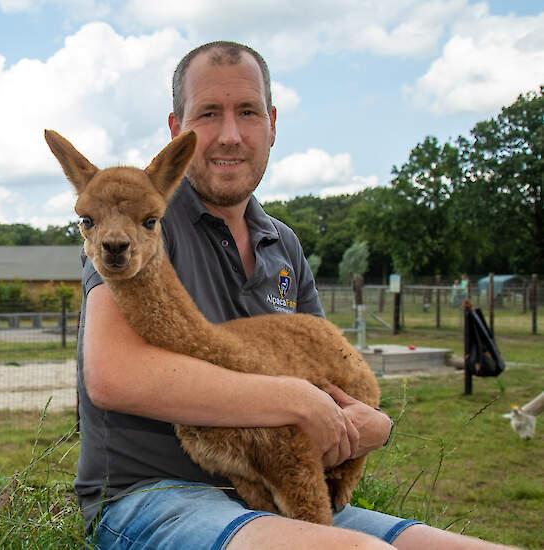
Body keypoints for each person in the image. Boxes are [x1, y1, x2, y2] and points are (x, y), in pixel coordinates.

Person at [75, 41, 517, 549]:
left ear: (272, 123)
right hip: (153, 497)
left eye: (248, 112)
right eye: (208, 115)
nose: (230, 135)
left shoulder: (282, 244)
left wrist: (375, 424)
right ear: (178, 132)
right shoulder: (137, 219)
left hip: (268, 492)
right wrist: (295, 399)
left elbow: (331, 378)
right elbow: (114, 377)